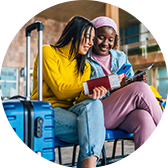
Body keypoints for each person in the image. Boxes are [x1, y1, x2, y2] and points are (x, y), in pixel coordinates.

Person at [31, 16, 107, 168]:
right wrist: (85, 87)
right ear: (73, 35)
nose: (91, 43)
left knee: (95, 104)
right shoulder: (48, 52)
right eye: (87, 38)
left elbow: (77, 100)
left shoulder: (85, 66)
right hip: (47, 111)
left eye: (92, 39)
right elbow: (60, 91)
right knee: (94, 130)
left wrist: (90, 94)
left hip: (69, 111)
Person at [86, 16, 162, 151]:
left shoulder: (120, 56)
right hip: (98, 112)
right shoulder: (84, 59)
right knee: (141, 88)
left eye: (110, 39)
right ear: (92, 37)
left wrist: (135, 79)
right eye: (101, 37)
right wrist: (115, 87)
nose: (106, 43)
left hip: (122, 112)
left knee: (144, 119)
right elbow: (85, 89)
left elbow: (130, 82)